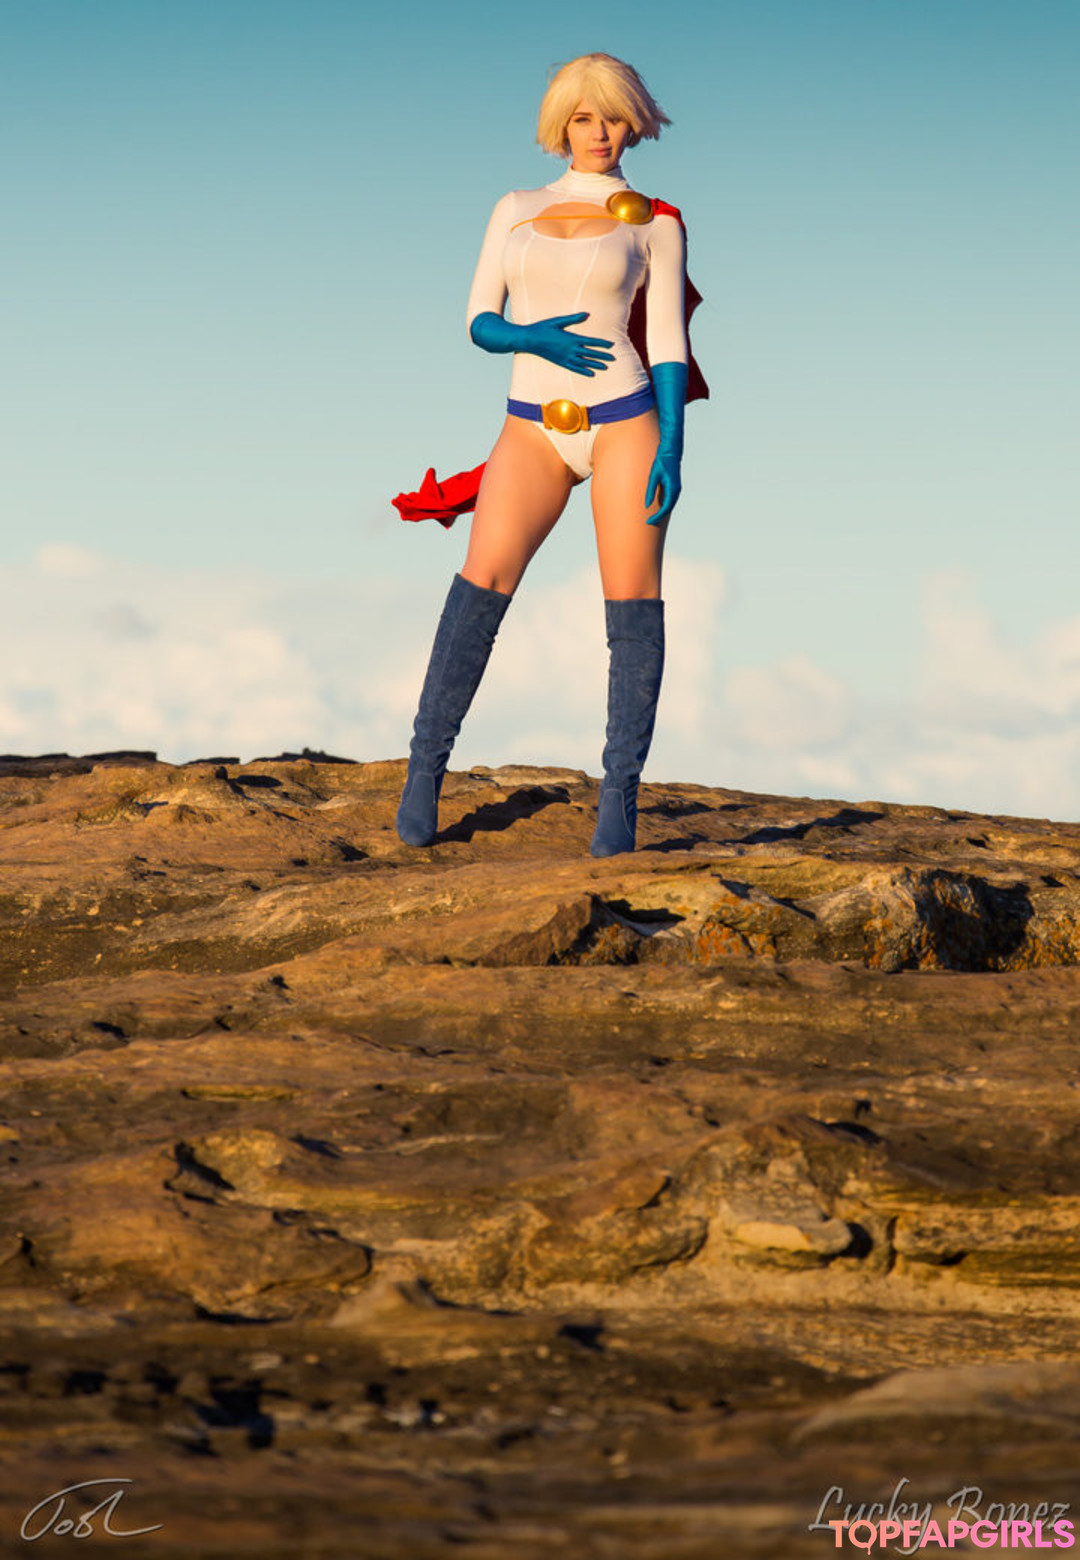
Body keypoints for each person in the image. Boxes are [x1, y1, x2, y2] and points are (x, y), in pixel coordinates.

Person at [394, 52, 705, 856]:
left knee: (632, 601)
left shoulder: (656, 221)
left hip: (626, 419)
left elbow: (667, 341)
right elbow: (477, 319)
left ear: (635, 123)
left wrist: (673, 444)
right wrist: (528, 338)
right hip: (530, 426)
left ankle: (619, 800)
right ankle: (424, 771)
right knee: (480, 584)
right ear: (560, 124)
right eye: (583, 117)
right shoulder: (517, 207)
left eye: (613, 117)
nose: (599, 133)